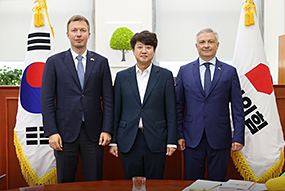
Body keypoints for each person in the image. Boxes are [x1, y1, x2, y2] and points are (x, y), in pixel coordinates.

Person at [41, 15, 113, 183]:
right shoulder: (54, 62)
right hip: (63, 134)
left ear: (89, 34)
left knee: (94, 182)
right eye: (74, 30)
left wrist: (107, 129)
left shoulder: (101, 62)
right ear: (67, 34)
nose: (78, 34)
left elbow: (108, 99)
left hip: (94, 133)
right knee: (65, 182)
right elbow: (46, 100)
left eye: (83, 30)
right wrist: (51, 132)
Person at [175, 28, 245, 181]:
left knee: (218, 182)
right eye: (202, 42)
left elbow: (238, 108)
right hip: (192, 138)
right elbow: (178, 106)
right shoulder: (184, 71)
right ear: (196, 46)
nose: (206, 45)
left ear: (217, 45)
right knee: (193, 182)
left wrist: (238, 136)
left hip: (220, 137)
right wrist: (179, 134)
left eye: (210, 42)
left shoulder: (229, 71)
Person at [109, 30, 177, 179]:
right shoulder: (121, 77)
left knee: (155, 184)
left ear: (154, 51)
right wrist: (113, 141)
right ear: (133, 51)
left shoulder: (165, 76)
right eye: (140, 47)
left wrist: (172, 141)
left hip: (157, 138)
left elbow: (171, 111)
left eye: (148, 47)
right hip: (129, 139)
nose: (144, 51)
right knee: (132, 183)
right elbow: (116, 111)